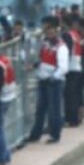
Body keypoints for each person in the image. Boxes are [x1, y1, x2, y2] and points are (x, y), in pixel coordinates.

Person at [28, 16, 68, 144]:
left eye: (50, 30)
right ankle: (36, 134)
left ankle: (55, 134)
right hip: (43, 79)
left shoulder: (61, 47)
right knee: (40, 109)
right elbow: (42, 59)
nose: (47, 32)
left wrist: (53, 77)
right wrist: (34, 66)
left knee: (54, 109)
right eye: (46, 30)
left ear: (56, 30)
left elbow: (63, 67)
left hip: (54, 82)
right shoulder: (44, 43)